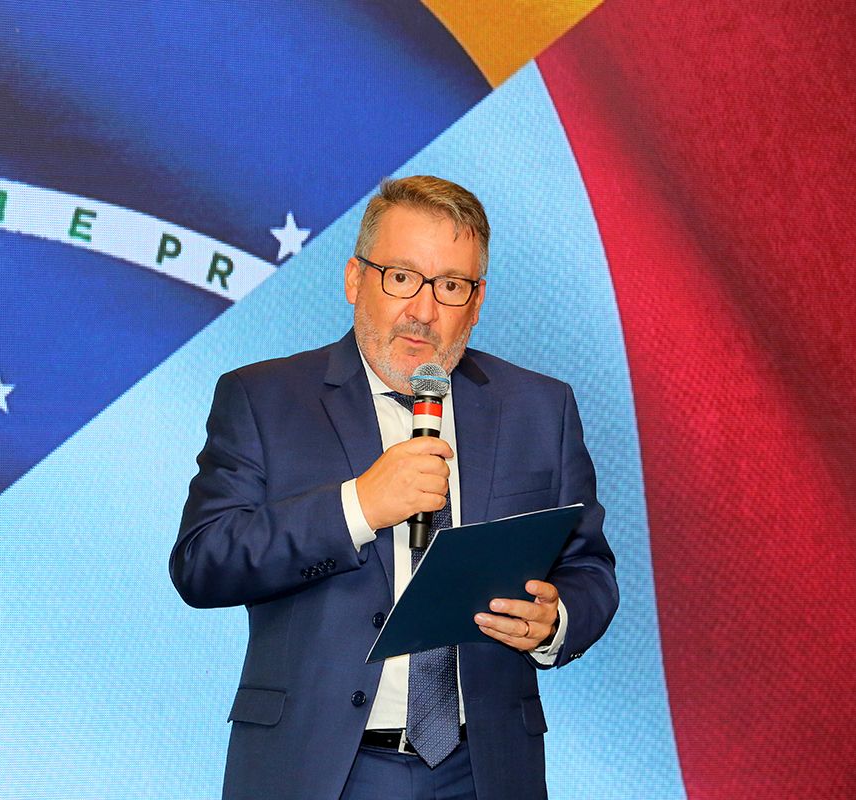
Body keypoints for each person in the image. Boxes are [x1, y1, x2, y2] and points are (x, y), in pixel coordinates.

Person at [171, 176, 618, 800]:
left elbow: (589, 568)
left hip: (486, 769)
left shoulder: (540, 408)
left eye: (451, 286)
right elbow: (202, 563)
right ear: (355, 279)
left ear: (477, 302)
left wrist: (554, 620)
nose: (424, 311)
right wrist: (358, 506)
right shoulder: (263, 399)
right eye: (402, 277)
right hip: (320, 771)